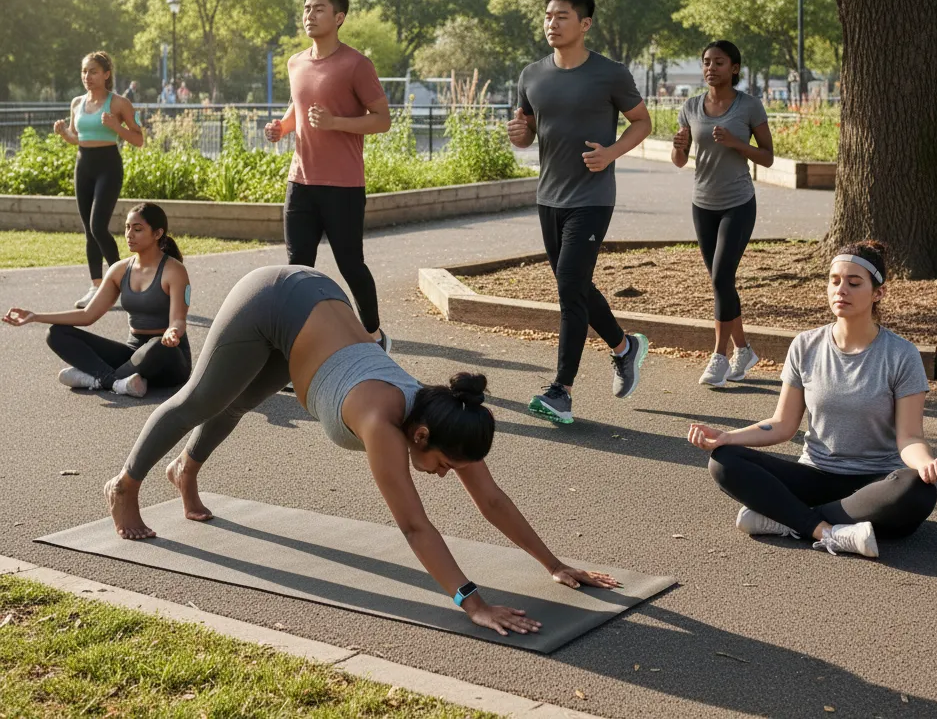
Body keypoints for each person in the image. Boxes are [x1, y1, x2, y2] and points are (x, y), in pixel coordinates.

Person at [100, 264, 620, 637]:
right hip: (272, 298)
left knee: (236, 402)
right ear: (420, 438)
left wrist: (554, 564)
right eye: (442, 467)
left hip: (315, 309)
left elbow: (492, 500)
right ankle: (124, 485)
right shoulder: (381, 423)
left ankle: (185, 473)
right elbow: (416, 527)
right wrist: (473, 603)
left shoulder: (450, 419)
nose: (444, 476)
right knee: (200, 400)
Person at [687, 242, 937, 559]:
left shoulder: (901, 355)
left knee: (917, 491)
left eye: (854, 283)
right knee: (724, 461)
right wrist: (728, 437)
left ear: (878, 293)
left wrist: (925, 463)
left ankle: (785, 518)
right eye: (834, 280)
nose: (842, 290)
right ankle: (826, 531)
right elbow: (783, 425)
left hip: (874, 484)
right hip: (815, 474)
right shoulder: (806, 345)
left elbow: (910, 437)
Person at [507, 0, 653, 425]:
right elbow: (527, 129)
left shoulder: (610, 74)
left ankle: (561, 392)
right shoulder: (531, 74)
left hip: (592, 197)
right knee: (575, 286)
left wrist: (610, 153)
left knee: (569, 284)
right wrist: (521, 136)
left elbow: (642, 122)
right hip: (548, 196)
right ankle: (625, 347)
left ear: (585, 24)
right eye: (548, 16)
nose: (552, 23)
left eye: (562, 16)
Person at [265, 0, 393, 352]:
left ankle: (373, 335)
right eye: (306, 8)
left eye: (318, 9)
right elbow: (298, 110)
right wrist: (281, 127)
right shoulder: (296, 62)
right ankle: (297, 346)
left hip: (343, 185)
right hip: (300, 182)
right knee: (297, 268)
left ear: (338, 18)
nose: (309, 14)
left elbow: (382, 120)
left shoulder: (356, 64)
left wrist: (337, 122)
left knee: (351, 265)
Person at [3, 203, 191, 398]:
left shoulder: (174, 271)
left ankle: (97, 378)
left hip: (168, 358)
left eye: (137, 229)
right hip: (132, 354)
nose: (129, 234)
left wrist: (173, 331)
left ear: (157, 233)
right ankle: (116, 382)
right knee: (56, 332)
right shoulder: (119, 270)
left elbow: (179, 319)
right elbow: (87, 315)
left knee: (156, 345)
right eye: (127, 227)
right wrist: (35, 317)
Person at [671, 41, 774, 387]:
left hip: (738, 202)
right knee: (722, 282)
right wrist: (678, 146)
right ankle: (743, 349)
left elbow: (768, 156)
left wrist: (735, 142)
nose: (710, 67)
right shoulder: (690, 107)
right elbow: (680, 161)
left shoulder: (749, 107)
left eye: (718, 62)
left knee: (720, 278)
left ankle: (718, 356)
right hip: (703, 204)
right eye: (706, 62)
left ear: (734, 67)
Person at [54, 52, 145, 308]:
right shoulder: (76, 103)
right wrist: (64, 133)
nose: (87, 77)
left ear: (106, 74)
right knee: (88, 231)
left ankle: (121, 283)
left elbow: (139, 140)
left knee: (97, 227)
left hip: (108, 166)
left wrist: (116, 127)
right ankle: (95, 287)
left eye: (93, 71)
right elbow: (77, 137)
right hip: (83, 166)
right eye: (84, 72)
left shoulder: (119, 103)